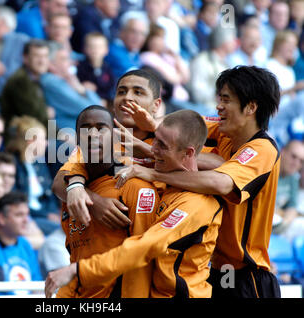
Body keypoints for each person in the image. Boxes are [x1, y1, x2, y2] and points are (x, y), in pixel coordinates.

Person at [112, 65, 282, 298]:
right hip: (216, 271)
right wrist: (150, 126)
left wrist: (154, 174)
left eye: (226, 100)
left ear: (251, 107)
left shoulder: (262, 148)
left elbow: (221, 183)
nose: (218, 106)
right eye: (219, 98)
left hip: (247, 276)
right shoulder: (223, 132)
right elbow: (184, 128)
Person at [45, 109, 224, 298]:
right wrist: (75, 185)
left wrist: (77, 271)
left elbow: (143, 249)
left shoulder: (192, 202)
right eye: (154, 140)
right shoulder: (79, 184)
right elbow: (66, 174)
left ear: (187, 153)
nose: (151, 150)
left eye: (161, 145)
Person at [54, 105, 160, 298]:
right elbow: (76, 253)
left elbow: (143, 258)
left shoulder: (135, 188)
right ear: (77, 139)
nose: (93, 135)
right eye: (86, 128)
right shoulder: (72, 190)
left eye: (101, 128)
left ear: (116, 137)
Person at [51, 68, 163, 230]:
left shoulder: (169, 139)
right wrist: (94, 201)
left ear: (156, 105)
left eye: (138, 92)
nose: (127, 98)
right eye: (121, 92)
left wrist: (149, 150)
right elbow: (59, 182)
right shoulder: (97, 141)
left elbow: (196, 172)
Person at [5, 115, 61, 236]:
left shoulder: (39, 162)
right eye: (43, 139)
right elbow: (15, 201)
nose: (46, 144)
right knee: (64, 231)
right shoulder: (11, 165)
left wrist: (53, 213)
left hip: (45, 216)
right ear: (30, 141)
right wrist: (46, 215)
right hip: (29, 218)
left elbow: (49, 195)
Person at [0, 151, 46, 250]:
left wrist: (13, 238)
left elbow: (40, 239)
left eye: (11, 176)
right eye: (2, 174)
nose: (6, 180)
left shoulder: (15, 204)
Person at [0, 192, 43, 289]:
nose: (26, 220)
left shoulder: (25, 244)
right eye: (19, 215)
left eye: (27, 215)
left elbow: (36, 286)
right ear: (1, 218)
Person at [40, 43, 102, 131]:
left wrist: (81, 89)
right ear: (51, 65)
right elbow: (93, 110)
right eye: (64, 59)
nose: (70, 62)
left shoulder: (67, 81)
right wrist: (83, 90)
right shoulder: (52, 82)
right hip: (66, 137)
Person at [0, 39, 51, 134]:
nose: (42, 61)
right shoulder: (20, 81)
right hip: (21, 138)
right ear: (25, 58)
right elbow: (37, 117)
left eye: (45, 56)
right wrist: (62, 136)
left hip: (36, 133)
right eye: (37, 56)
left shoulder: (35, 78)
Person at [188, 25, 237, 113]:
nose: (235, 43)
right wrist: (218, 95)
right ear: (224, 42)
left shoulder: (227, 63)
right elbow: (197, 92)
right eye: (233, 39)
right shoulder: (202, 61)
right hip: (207, 110)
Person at [273, 140, 304, 242]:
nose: (296, 163)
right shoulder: (268, 170)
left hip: (277, 225)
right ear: (282, 152)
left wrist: (285, 222)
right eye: (293, 156)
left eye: (301, 161)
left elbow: (292, 207)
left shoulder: (293, 179)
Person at [76, 32, 117, 108]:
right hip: (86, 103)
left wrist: (106, 99)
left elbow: (112, 88)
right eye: (91, 47)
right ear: (84, 49)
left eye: (99, 47)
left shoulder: (108, 69)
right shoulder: (79, 67)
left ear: (106, 50)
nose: (95, 50)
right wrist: (83, 87)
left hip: (105, 103)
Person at [105, 12, 149, 79]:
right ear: (122, 31)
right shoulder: (112, 50)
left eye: (142, 34)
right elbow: (134, 75)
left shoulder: (134, 53)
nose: (138, 37)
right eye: (133, 31)